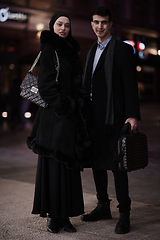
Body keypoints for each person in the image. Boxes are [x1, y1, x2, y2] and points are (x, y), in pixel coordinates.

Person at [27, 12, 90, 234]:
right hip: (54, 116)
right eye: (59, 25)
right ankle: (53, 216)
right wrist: (65, 105)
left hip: (69, 116)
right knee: (54, 166)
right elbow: (45, 86)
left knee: (67, 166)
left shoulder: (72, 52)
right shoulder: (49, 49)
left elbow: (77, 83)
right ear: (52, 26)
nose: (63, 29)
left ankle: (65, 216)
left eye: (67, 25)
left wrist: (78, 102)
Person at [81, 7, 141, 234]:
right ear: (91, 23)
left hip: (115, 118)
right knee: (97, 164)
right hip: (93, 118)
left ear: (111, 24)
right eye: (96, 22)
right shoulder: (89, 52)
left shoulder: (123, 50)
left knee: (118, 167)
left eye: (104, 22)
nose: (99, 26)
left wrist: (133, 115)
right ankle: (103, 206)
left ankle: (124, 213)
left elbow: (130, 86)